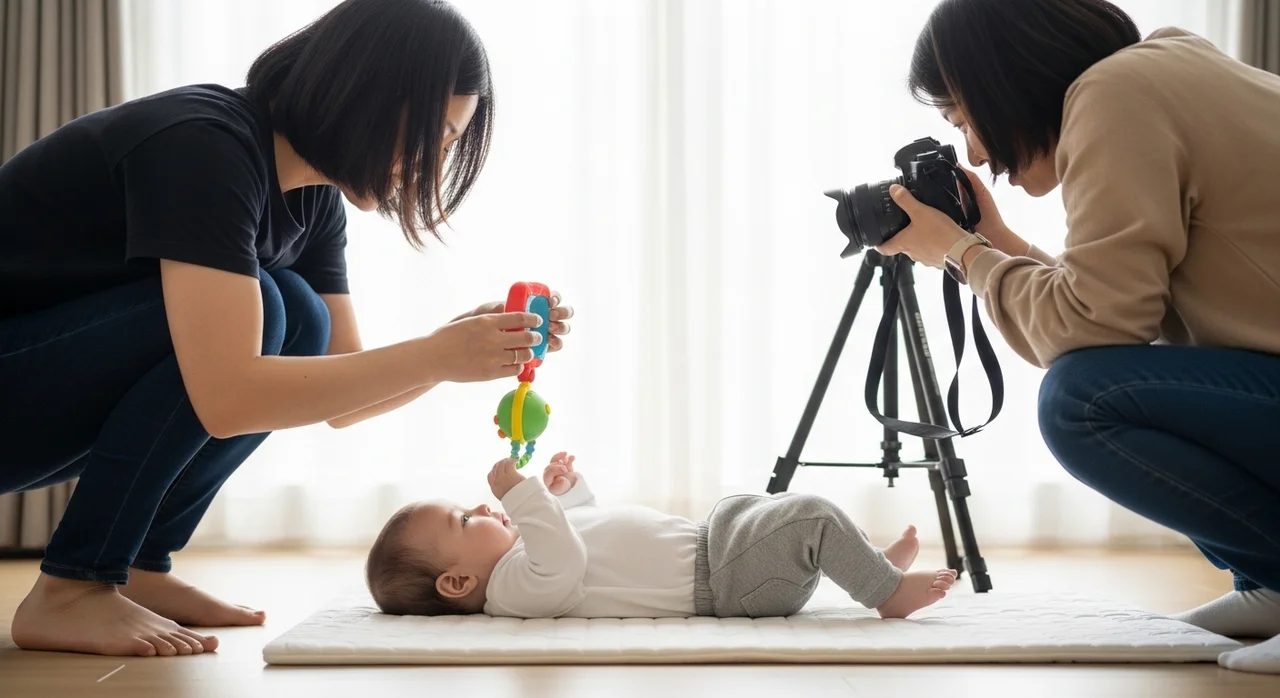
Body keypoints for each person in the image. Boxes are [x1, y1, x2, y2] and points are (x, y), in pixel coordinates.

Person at [0, 0, 571, 658]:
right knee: (268, 310)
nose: (428, 163)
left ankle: (138, 563)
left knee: (294, 312)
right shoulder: (202, 147)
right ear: (366, 93)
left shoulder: (312, 197)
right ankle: (72, 587)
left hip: (38, 398)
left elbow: (341, 396)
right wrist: (436, 354)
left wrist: (451, 352)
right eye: (435, 135)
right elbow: (228, 394)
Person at [875, 0, 1280, 674]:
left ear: (1000, 79)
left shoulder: (1114, 94)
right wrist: (995, 244)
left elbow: (1093, 329)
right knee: (1107, 382)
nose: (975, 152)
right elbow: (1114, 309)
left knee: (1080, 403)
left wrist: (961, 255)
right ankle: (1270, 584)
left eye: (963, 121)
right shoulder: (1155, 70)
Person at [365, 452, 958, 620]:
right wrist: (523, 498)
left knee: (777, 510)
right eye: (463, 521)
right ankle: (886, 590)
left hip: (715, 545)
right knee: (810, 516)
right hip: (724, 578)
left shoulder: (529, 548)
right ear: (459, 581)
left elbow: (581, 530)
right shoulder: (514, 590)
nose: (479, 508)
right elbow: (566, 560)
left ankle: (869, 562)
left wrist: (565, 492)